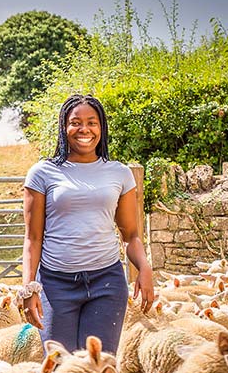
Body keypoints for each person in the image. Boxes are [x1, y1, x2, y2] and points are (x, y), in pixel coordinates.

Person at [20, 94, 154, 354]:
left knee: (99, 366)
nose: (84, 129)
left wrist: (145, 268)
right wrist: (28, 288)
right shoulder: (43, 172)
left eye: (92, 123)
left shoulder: (119, 173)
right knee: (61, 368)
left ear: (101, 128)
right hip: (55, 283)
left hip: (106, 282)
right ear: (64, 127)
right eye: (75, 122)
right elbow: (32, 239)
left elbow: (131, 236)